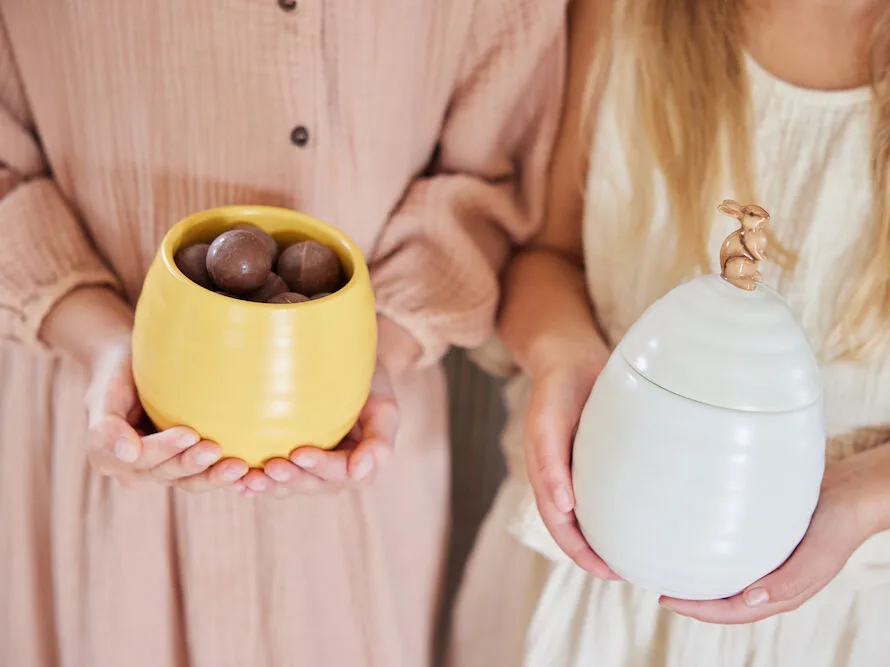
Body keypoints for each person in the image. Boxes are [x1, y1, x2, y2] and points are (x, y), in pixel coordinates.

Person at [0, 2, 566, 665]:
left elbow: (489, 175)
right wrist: (104, 342)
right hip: (91, 426)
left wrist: (367, 354)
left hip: (361, 450)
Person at [449, 0, 890, 665]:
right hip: (574, 578)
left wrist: (854, 503)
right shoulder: (632, 14)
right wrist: (565, 356)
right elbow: (546, 260)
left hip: (822, 621)